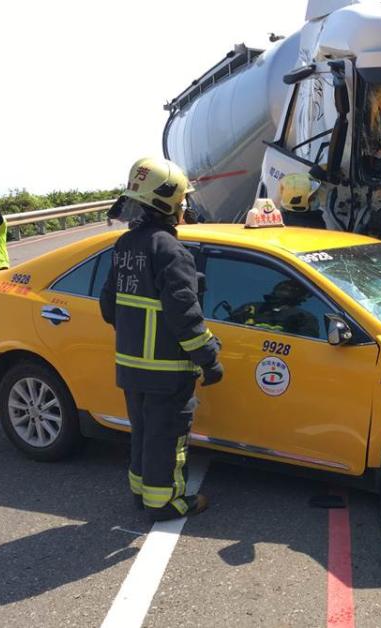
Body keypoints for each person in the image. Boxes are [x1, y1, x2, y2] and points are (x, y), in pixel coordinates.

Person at [100, 157, 224, 522]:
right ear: (170, 202)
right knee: (168, 439)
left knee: (143, 434)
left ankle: (142, 494)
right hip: (167, 371)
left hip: (131, 367)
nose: (185, 206)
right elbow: (185, 316)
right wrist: (210, 359)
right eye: (183, 199)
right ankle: (165, 503)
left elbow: (109, 307)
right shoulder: (171, 251)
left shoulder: (124, 246)